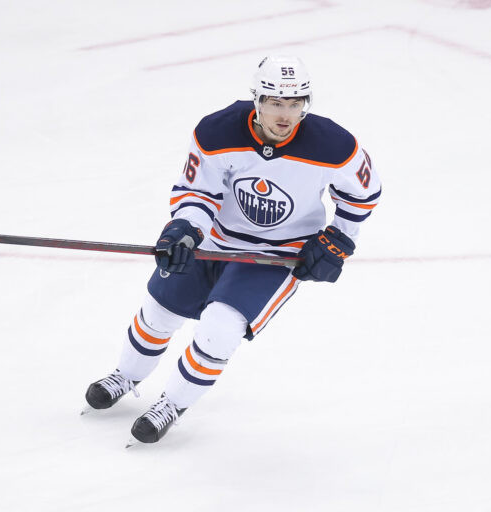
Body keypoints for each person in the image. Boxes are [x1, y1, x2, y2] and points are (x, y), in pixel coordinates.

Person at [84, 55, 382, 444]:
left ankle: (172, 403)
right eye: (275, 102)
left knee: (220, 327)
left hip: (276, 255)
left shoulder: (334, 145)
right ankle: (126, 375)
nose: (285, 115)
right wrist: (185, 230)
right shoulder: (217, 132)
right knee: (158, 310)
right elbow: (198, 191)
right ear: (257, 99)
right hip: (215, 240)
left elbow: (363, 193)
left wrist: (338, 240)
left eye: (295, 103)